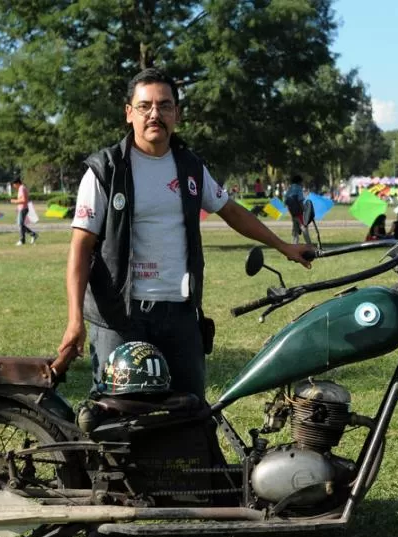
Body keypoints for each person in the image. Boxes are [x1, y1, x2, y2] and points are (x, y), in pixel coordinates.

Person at [58, 67, 312, 398]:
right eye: (145, 106)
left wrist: (282, 246)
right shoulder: (105, 171)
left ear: (176, 114)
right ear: (128, 113)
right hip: (120, 315)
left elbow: (232, 211)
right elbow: (80, 247)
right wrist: (75, 320)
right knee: (117, 415)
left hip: (180, 313)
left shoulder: (190, 167)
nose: (154, 114)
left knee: (190, 411)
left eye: (164, 106)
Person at [284, 174, 311, 245]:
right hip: (299, 212)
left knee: (295, 230)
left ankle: (294, 245)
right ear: (299, 182)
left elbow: (286, 202)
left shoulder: (290, 189)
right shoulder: (299, 188)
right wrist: (304, 210)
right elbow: (300, 200)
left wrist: (290, 213)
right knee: (304, 227)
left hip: (292, 213)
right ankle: (309, 244)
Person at [10, 176, 37, 245]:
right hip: (21, 208)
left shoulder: (22, 188)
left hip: (23, 209)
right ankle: (33, 234)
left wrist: (14, 201)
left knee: (20, 224)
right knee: (20, 224)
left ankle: (22, 240)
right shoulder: (21, 188)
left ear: (17, 183)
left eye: (14, 184)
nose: (13, 186)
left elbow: (24, 200)